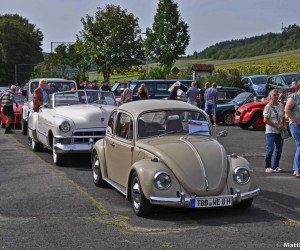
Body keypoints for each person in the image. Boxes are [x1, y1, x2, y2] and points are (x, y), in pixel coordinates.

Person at [263, 89, 286, 173]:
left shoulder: (281, 105)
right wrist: (276, 125)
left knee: (279, 149)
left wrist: (284, 125)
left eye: (277, 94)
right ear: (270, 96)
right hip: (271, 131)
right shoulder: (268, 107)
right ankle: (268, 166)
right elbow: (265, 120)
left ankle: (275, 166)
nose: (276, 96)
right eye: (274, 95)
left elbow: (283, 116)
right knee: (270, 149)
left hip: (280, 131)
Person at [284, 83, 300, 178]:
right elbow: (287, 109)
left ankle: (296, 169)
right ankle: (297, 170)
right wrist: (295, 119)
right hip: (296, 125)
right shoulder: (294, 96)